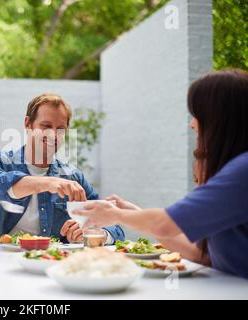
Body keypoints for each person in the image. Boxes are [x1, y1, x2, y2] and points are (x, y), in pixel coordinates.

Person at [74, 69, 248, 279]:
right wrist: (135, 212)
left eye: (198, 115)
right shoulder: (234, 168)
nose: (192, 124)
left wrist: (116, 215)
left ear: (221, 119)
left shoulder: (242, 171)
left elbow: (164, 224)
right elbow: (200, 255)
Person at [0, 93, 124, 243]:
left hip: (50, 262)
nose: (53, 135)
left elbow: (114, 225)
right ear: (28, 124)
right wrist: (47, 183)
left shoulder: (72, 177)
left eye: (60, 128)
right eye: (46, 126)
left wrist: (96, 232)